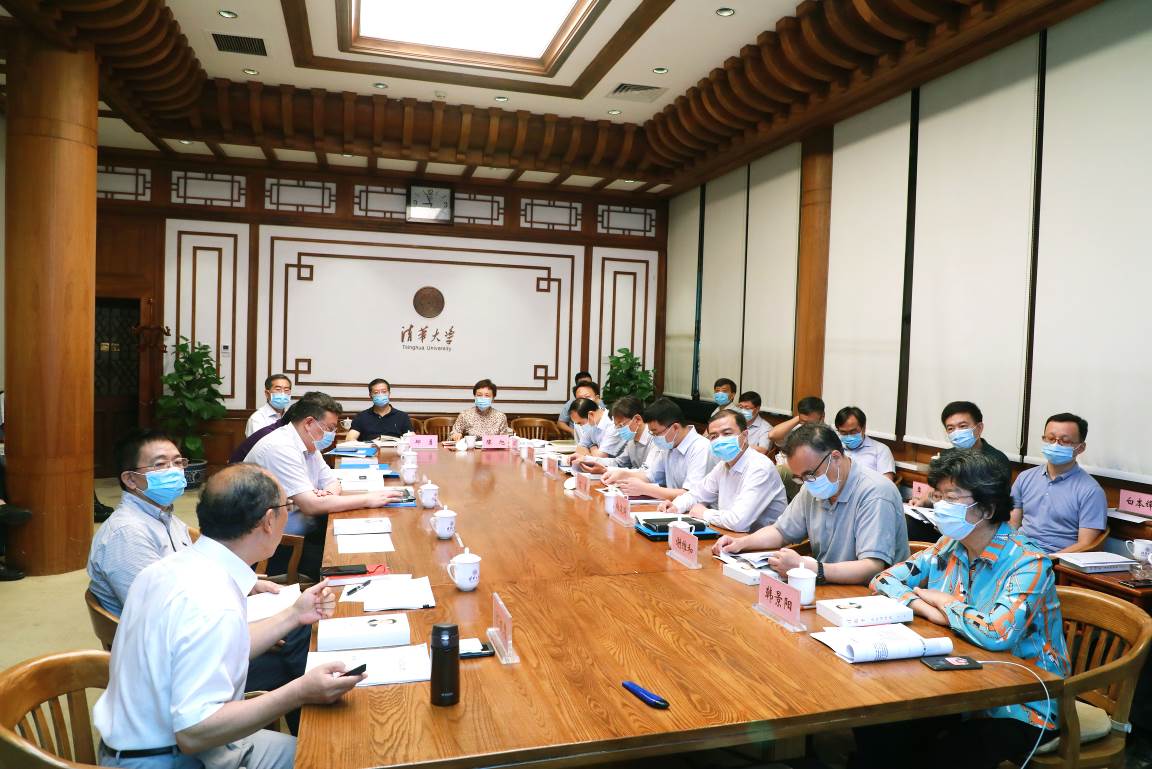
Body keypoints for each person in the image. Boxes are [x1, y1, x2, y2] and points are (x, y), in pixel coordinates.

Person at [93, 464, 365, 769]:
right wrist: (300, 692)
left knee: (323, 750)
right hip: (171, 758)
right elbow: (194, 732)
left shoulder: (171, 569)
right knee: (338, 758)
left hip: (141, 742)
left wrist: (294, 615)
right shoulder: (213, 600)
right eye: (286, 506)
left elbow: (219, 646)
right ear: (269, 520)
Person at [858, 451, 1067, 769]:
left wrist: (946, 603)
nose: (941, 506)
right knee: (879, 727)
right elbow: (883, 579)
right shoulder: (950, 546)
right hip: (956, 684)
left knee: (939, 756)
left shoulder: (1028, 562)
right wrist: (925, 608)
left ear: (987, 508)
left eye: (952, 498)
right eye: (938, 496)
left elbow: (996, 633)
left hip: (1020, 703)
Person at [88, 429, 312, 722]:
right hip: (174, 668)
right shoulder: (127, 534)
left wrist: (250, 584)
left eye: (178, 462)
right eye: (160, 465)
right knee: (299, 646)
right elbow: (161, 619)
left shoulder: (164, 517)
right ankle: (312, 739)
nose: (174, 471)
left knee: (298, 627)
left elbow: (200, 566)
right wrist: (258, 629)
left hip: (194, 638)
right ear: (131, 479)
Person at [712, 423, 908, 584]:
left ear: (835, 457)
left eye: (810, 474)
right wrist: (741, 543)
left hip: (870, 596)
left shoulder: (875, 493)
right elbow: (781, 532)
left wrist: (813, 568)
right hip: (826, 585)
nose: (806, 482)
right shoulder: (813, 485)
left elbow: (872, 567)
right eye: (800, 477)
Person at [244, 395, 402, 579]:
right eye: (329, 428)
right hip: (274, 541)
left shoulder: (308, 444)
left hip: (300, 523)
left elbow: (333, 482)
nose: (331, 434)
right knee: (345, 562)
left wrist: (325, 495)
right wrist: (368, 499)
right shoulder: (280, 447)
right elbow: (311, 506)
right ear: (309, 423)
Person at [659, 409, 787, 532]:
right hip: (731, 536)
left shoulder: (760, 467)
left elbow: (738, 522)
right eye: (714, 436)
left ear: (745, 435)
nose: (720, 440)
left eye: (727, 433)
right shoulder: (724, 465)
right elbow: (697, 494)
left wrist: (704, 513)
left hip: (760, 542)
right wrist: (676, 506)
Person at [1010, 412, 1107, 554]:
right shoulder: (1025, 477)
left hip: (1054, 559)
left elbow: (1086, 544)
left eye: (1065, 441)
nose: (1055, 445)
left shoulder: (1091, 491)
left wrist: (1049, 559)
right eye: (1050, 439)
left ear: (1081, 448)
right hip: (1016, 551)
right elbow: (1012, 523)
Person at [601, 398, 714, 501]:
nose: (655, 438)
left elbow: (691, 494)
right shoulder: (670, 444)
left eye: (656, 433)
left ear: (675, 427)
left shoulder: (700, 447)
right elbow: (651, 476)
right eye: (652, 433)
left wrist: (645, 489)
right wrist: (622, 474)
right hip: (671, 507)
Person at [909, 400, 1012, 506]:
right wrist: (922, 501)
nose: (956, 432)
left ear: (979, 428)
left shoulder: (997, 460)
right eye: (950, 428)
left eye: (962, 426)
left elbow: (997, 503)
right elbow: (935, 488)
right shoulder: (946, 457)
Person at [576, 396, 658, 474]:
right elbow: (619, 463)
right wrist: (586, 459)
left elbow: (647, 472)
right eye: (617, 426)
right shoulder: (631, 440)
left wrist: (606, 470)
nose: (619, 430)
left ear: (637, 420)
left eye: (621, 425)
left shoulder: (655, 439)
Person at [834, 406, 895, 481]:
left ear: (864, 428)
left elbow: (887, 484)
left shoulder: (881, 450)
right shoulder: (834, 448)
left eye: (853, 431)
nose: (849, 436)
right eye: (843, 432)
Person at [345, 378, 413, 441]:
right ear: (370, 395)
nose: (380, 395)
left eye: (384, 392)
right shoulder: (361, 416)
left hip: (394, 449)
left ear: (389, 393)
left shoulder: (402, 416)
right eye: (376, 392)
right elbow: (350, 439)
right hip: (369, 449)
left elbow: (411, 439)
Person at [556, 371, 596, 438]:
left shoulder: (599, 404)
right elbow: (560, 423)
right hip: (576, 438)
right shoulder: (571, 403)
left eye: (589, 384)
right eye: (582, 384)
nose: (585, 386)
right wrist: (572, 431)